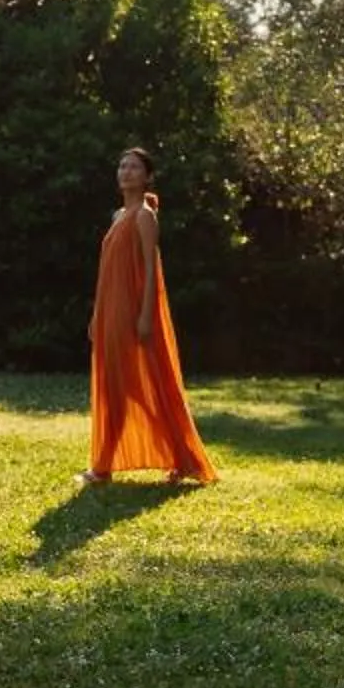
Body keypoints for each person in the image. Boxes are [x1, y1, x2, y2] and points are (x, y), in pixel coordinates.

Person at [82, 146, 218, 486]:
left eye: (134, 167)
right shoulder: (118, 215)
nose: (126, 172)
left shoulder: (144, 216)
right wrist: (97, 314)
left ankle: (177, 457)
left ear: (147, 177)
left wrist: (146, 316)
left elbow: (151, 269)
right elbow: (107, 271)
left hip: (132, 310)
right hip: (110, 310)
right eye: (122, 166)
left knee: (140, 385)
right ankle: (104, 465)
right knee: (113, 386)